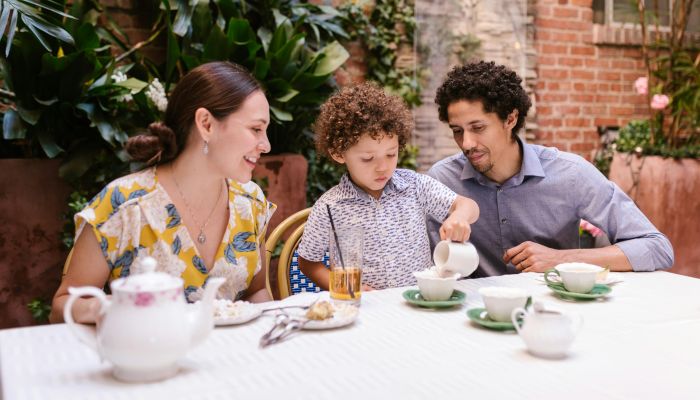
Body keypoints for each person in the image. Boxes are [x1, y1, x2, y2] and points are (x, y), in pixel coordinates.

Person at [50, 62, 276, 323]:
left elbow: (257, 291)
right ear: (206, 124)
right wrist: (106, 308)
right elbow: (61, 307)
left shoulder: (251, 202)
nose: (266, 145)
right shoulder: (124, 205)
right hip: (149, 357)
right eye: (256, 129)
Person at [427, 60, 674, 277]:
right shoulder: (442, 180)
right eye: (457, 131)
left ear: (510, 119)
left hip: (557, 314)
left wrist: (561, 259)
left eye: (478, 128)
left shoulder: (571, 174)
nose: (466, 144)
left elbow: (656, 247)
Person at [297, 83, 479, 290]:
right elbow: (308, 262)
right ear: (339, 153)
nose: (382, 167)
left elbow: (468, 205)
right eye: (368, 158)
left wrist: (459, 216)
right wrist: (345, 286)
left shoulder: (415, 186)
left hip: (417, 303)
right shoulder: (329, 207)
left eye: (391, 154)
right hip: (367, 311)